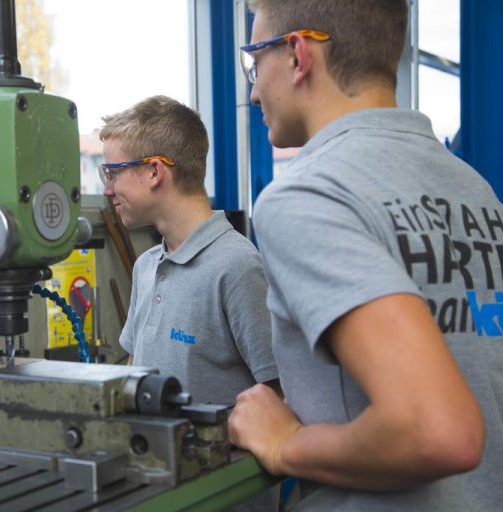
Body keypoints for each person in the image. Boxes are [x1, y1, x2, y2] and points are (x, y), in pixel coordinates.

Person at [229, 0, 503, 510]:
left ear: (296, 55)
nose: (252, 88)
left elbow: (438, 430)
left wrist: (285, 442)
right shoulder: (474, 189)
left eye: (254, 61)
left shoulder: (307, 194)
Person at [99, 95, 279, 407]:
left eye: (113, 172)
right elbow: (134, 365)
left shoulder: (237, 267)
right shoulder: (146, 267)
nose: (107, 189)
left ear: (155, 172)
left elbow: (277, 393)